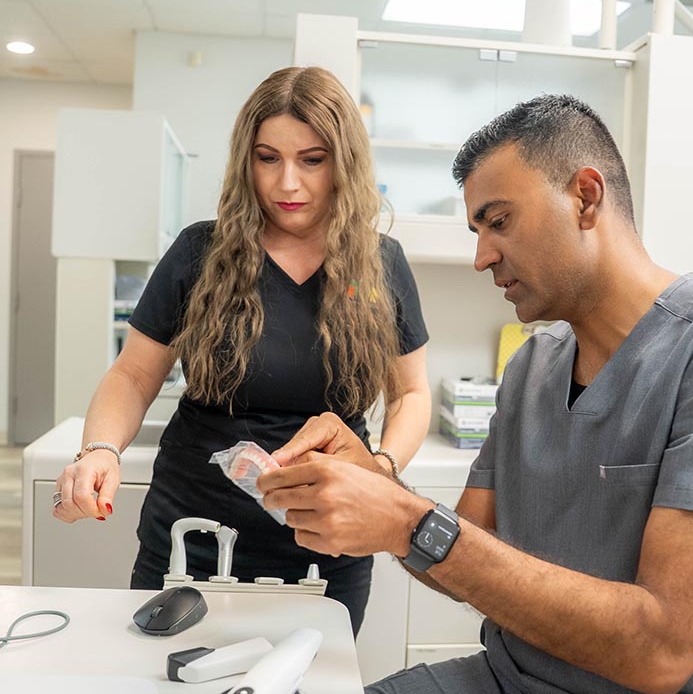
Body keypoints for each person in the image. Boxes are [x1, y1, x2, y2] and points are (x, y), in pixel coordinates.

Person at [256, 94, 693, 694]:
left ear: (586, 197)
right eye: (477, 231)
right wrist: (378, 487)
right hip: (509, 692)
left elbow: (660, 649)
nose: (482, 256)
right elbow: (457, 556)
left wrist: (403, 518)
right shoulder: (534, 367)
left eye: (499, 222)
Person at [52, 66, 431, 635]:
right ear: (245, 159)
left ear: (343, 162)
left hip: (328, 540)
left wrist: (379, 470)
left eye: (312, 159)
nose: (287, 184)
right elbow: (132, 375)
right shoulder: (198, 252)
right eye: (268, 157)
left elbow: (411, 393)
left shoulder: (383, 264)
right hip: (191, 536)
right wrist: (99, 449)